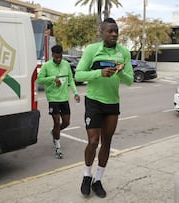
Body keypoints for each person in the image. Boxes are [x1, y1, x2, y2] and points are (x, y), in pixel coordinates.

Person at [75, 18, 134, 198]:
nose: (114, 34)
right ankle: (87, 175)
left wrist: (121, 71)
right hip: (94, 101)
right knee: (93, 141)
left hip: (112, 103)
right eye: (110, 31)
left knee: (106, 142)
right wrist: (99, 72)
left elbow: (130, 80)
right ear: (102, 32)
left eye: (116, 31)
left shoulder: (124, 52)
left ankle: (98, 180)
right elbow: (78, 75)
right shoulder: (92, 50)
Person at [37, 45, 80, 159]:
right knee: (56, 121)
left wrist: (75, 93)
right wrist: (52, 79)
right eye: (56, 57)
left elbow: (70, 79)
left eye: (60, 57)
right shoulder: (46, 66)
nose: (58, 59)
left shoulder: (66, 64)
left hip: (64, 98)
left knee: (66, 122)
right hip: (53, 98)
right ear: (52, 55)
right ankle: (58, 147)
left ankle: (55, 132)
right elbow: (40, 79)